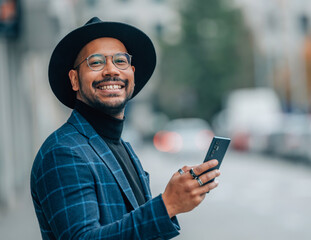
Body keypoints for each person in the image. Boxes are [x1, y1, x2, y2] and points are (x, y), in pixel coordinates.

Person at [30, 17, 220, 240]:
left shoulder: (121, 146)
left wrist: (175, 201)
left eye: (120, 61)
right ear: (74, 80)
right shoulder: (63, 152)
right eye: (96, 62)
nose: (111, 70)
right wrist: (167, 204)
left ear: (132, 74)